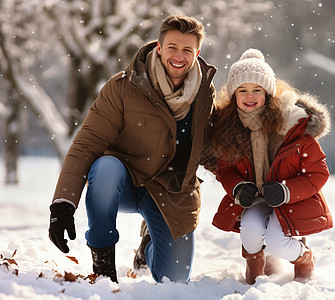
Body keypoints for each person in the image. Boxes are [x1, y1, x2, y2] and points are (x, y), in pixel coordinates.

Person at [48, 15, 217, 284]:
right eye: (172, 47)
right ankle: (102, 261)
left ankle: (147, 247)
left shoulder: (204, 95)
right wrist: (63, 205)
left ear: (197, 53)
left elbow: (217, 145)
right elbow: (85, 144)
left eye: (187, 50)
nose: (179, 56)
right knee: (104, 168)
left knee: (174, 278)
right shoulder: (123, 87)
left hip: (170, 193)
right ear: (159, 47)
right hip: (124, 181)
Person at [211, 49, 333, 284]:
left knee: (278, 242)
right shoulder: (230, 129)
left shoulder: (291, 126)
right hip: (257, 196)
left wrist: (287, 190)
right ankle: (257, 267)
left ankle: (304, 257)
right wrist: (238, 187)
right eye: (242, 90)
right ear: (234, 94)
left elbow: (318, 172)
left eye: (257, 90)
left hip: (291, 198)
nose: (250, 96)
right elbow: (225, 169)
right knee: (250, 230)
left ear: (268, 93)